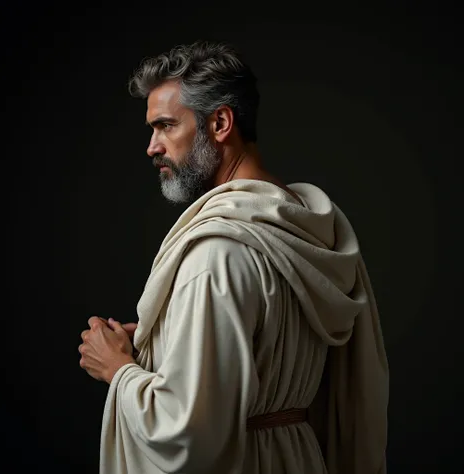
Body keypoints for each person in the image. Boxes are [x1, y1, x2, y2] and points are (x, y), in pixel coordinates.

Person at [78, 40, 389, 474]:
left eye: (166, 126)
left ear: (220, 122)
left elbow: (190, 435)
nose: (153, 146)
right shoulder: (310, 229)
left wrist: (120, 369)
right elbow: (274, 354)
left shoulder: (216, 254)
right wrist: (163, 344)